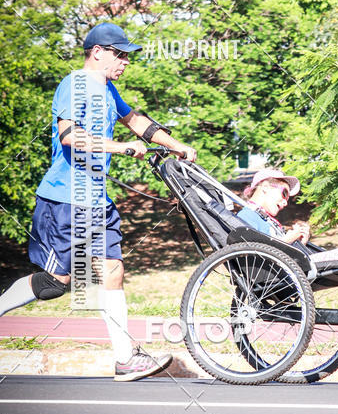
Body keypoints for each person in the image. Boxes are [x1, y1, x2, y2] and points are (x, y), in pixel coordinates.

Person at [0, 22, 196, 381]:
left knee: (112, 269)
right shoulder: (74, 84)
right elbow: (69, 136)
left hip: (95, 199)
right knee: (55, 283)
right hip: (65, 199)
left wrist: (177, 145)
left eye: (127, 56)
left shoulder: (107, 89)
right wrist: (121, 148)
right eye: (120, 54)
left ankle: (125, 359)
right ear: (98, 52)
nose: (125, 61)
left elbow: (136, 121)